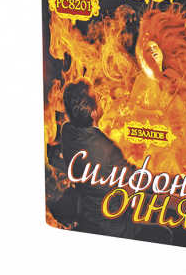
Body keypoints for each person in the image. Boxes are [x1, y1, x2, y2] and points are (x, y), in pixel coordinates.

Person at [61, 79, 172, 244]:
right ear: (93, 113)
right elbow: (139, 180)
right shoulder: (105, 150)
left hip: (86, 215)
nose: (103, 101)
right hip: (109, 227)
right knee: (164, 233)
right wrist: (174, 181)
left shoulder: (67, 131)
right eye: (99, 99)